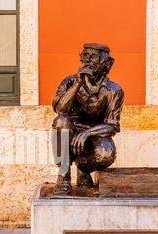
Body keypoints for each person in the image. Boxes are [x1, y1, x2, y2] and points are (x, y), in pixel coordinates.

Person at [52, 43, 125, 195]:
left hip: (94, 134)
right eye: (85, 56)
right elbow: (60, 109)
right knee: (61, 121)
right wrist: (77, 85)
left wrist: (87, 133)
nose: (87, 61)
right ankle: (63, 175)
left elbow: (112, 125)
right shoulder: (69, 82)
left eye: (93, 57)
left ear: (106, 63)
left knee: (106, 154)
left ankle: (83, 169)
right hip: (70, 129)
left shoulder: (114, 91)